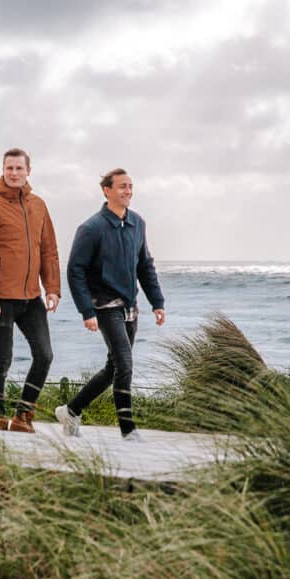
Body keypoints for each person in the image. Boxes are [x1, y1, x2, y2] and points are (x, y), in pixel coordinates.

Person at [56, 168, 165, 441]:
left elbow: (145, 265)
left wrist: (157, 302)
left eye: (130, 186)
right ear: (106, 190)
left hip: (130, 306)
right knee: (125, 364)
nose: (127, 191)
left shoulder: (137, 223)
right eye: (121, 187)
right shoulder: (91, 228)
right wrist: (86, 310)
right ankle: (128, 429)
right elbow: (75, 271)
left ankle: (71, 410)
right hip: (104, 307)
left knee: (113, 367)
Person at [0, 147, 61, 432]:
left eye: (19, 168)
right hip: (1, 299)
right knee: (3, 359)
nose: (14, 173)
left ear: (28, 171)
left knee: (44, 355)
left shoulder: (39, 205)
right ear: (3, 169)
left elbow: (49, 251)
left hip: (31, 296)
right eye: (9, 168)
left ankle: (23, 417)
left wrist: (53, 288)